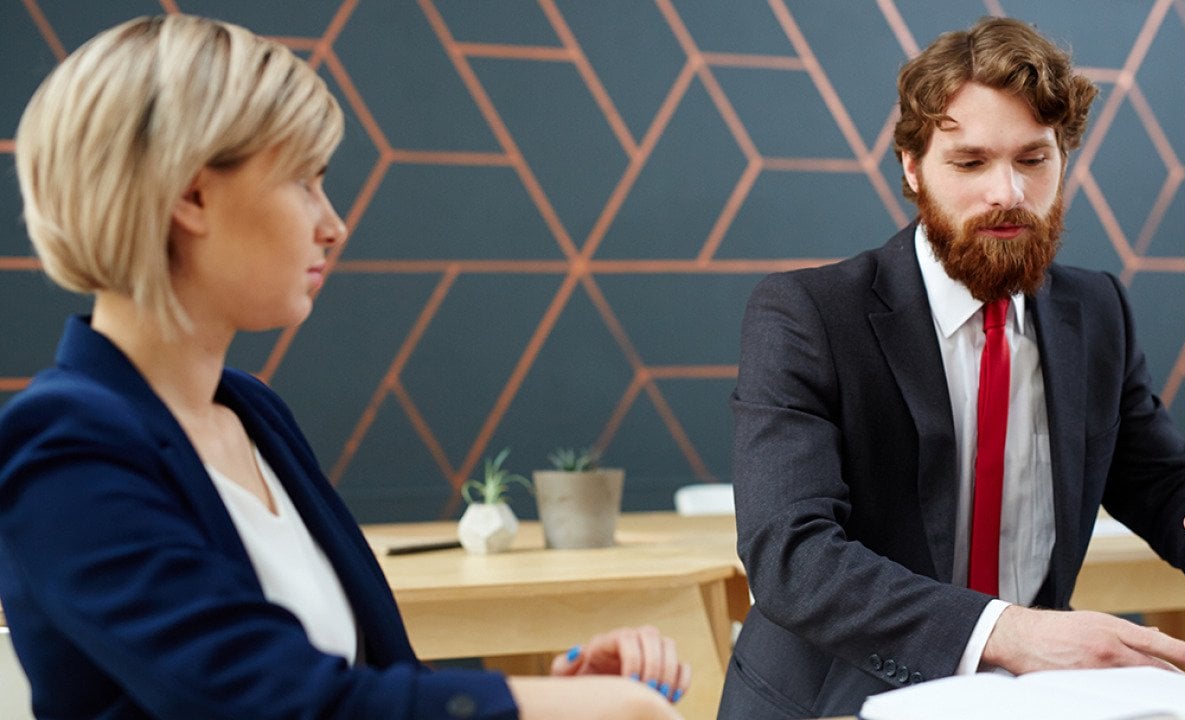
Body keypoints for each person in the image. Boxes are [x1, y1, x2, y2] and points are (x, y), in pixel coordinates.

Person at [0, 15, 689, 720]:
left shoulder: (253, 413)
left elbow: (364, 679)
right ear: (191, 196)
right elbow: (275, 703)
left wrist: (556, 695)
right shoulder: (63, 444)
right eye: (303, 182)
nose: (333, 225)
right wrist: (553, 707)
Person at [718, 15, 1185, 719]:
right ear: (912, 166)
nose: (1007, 193)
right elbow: (792, 557)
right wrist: (1011, 634)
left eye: (1033, 159)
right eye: (971, 163)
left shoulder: (1096, 311)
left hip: (1031, 704)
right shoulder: (808, 315)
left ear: (1063, 159)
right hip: (837, 702)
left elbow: (1159, 486)